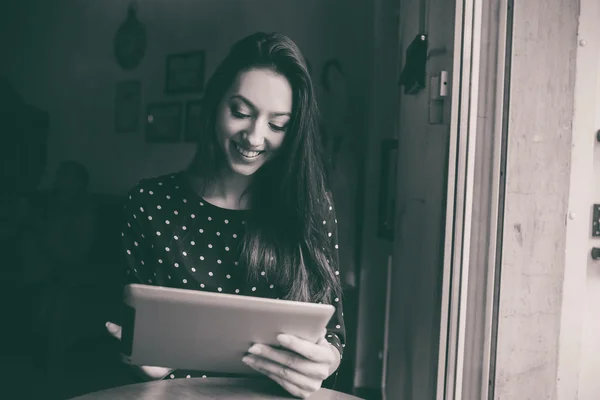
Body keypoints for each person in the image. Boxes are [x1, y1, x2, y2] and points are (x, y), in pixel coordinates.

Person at [106, 32, 346, 399]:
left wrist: (322, 362)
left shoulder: (312, 208)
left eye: (277, 125)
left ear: (294, 130)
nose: (254, 137)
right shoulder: (151, 202)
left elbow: (333, 334)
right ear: (215, 104)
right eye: (241, 112)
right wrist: (143, 358)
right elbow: (127, 322)